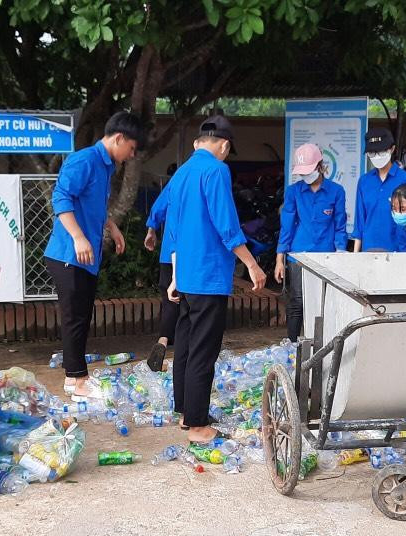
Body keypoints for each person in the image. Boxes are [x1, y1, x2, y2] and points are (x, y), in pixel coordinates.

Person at [165, 115, 267, 443]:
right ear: (223, 145)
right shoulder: (216, 170)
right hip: (209, 275)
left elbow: (175, 229)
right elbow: (227, 226)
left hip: (186, 274)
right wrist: (252, 265)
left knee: (185, 346)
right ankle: (197, 425)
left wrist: (175, 275)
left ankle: (185, 413)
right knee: (203, 352)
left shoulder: (182, 173)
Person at [43, 111, 143, 399]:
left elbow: (93, 206)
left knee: (82, 316)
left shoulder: (106, 166)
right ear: (119, 138)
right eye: (131, 148)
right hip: (67, 253)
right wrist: (78, 237)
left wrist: (112, 227)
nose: (131, 155)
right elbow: (61, 198)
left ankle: (75, 378)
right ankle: (77, 380)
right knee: (74, 317)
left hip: (84, 256)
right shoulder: (85, 160)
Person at [275, 143, 347, 342]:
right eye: (302, 173)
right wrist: (280, 259)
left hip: (326, 255)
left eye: (309, 171)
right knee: (297, 300)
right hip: (298, 255)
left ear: (320, 166)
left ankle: (323, 343)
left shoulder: (336, 192)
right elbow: (287, 226)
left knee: (323, 302)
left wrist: (341, 252)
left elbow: (340, 226)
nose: (305, 176)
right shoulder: (293, 192)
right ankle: (292, 345)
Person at [350, 128, 406, 252]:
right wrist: (356, 256)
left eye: (381, 152)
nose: (377, 157)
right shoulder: (364, 181)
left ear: (392, 149)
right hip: (369, 251)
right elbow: (359, 222)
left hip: (397, 251)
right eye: (372, 153)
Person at [142, 170, 179, 372]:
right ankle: (183, 345)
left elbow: (158, 208)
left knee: (169, 300)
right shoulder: (206, 181)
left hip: (167, 254)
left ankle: (163, 341)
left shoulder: (174, 183)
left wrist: (151, 230)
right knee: (189, 302)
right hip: (190, 255)